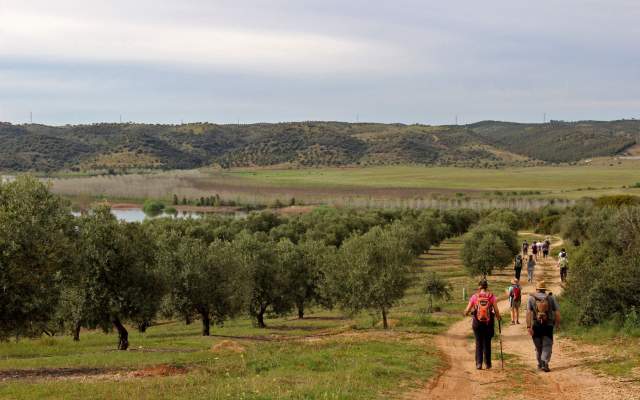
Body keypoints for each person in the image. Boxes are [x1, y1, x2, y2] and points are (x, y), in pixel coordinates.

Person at [464, 279, 501, 370]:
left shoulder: (474, 297)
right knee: (487, 343)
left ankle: (479, 364)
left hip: (477, 323)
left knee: (478, 342)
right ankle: (488, 364)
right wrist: (498, 317)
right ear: (486, 286)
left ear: (479, 287)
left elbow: (466, 311)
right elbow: (496, 310)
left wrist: (468, 312)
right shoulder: (491, 296)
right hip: (488, 323)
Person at [526, 281, 560, 372]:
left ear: (537, 289)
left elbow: (528, 313)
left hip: (536, 325)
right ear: (544, 289)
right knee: (547, 345)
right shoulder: (551, 298)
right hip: (548, 325)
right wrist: (557, 324)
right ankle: (545, 362)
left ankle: (540, 363)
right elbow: (557, 312)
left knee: (538, 346)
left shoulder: (531, 298)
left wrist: (528, 326)